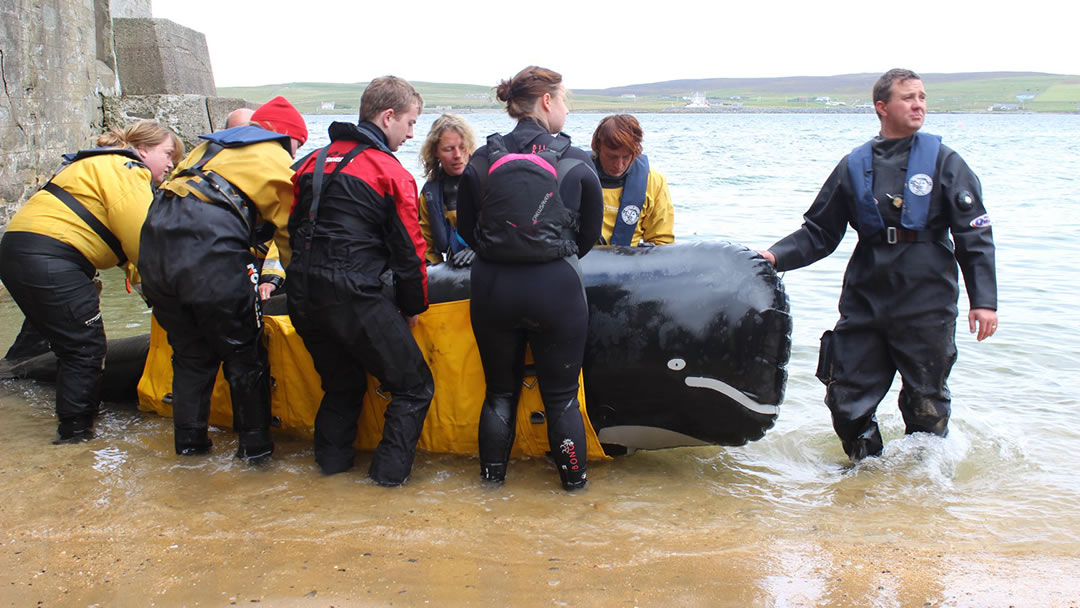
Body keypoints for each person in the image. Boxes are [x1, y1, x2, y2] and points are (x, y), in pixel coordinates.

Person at [757, 68, 998, 462]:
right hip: (866, 297)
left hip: (927, 297)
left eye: (922, 97)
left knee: (926, 402)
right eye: (909, 97)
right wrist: (774, 256)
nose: (919, 104)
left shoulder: (945, 162)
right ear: (882, 107)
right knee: (844, 396)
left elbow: (974, 236)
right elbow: (819, 232)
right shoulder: (854, 165)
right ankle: (865, 473)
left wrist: (983, 300)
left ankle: (923, 483)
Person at [456, 66, 604, 490]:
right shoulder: (576, 161)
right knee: (560, 399)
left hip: (493, 288)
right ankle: (573, 486)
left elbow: (468, 228)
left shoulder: (482, 159)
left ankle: (491, 484)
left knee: (500, 394)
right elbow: (588, 236)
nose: (566, 109)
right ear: (546, 101)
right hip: (556, 288)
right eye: (564, 100)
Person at [138, 96, 305, 462]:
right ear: (284, 136)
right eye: (298, 145)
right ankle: (256, 454)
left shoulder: (207, 147)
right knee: (244, 355)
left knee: (190, 355)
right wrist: (304, 285)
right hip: (208, 254)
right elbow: (292, 235)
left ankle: (189, 450)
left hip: (154, 251)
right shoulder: (276, 157)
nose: (297, 154)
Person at [287, 76, 433, 485]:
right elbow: (411, 251)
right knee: (413, 387)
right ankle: (384, 486)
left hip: (303, 294)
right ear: (388, 117)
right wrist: (413, 307)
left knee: (342, 386)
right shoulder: (389, 171)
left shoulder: (310, 162)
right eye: (409, 122)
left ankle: (330, 480)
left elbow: (293, 227)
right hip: (352, 293)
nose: (411, 132)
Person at [0, 119, 179, 443]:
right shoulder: (127, 170)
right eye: (167, 154)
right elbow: (145, 245)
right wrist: (176, 300)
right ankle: (75, 435)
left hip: (20, 250)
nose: (171, 164)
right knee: (85, 348)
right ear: (141, 150)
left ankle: (10, 380)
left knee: (54, 327)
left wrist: (150, 295)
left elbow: (128, 254)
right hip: (51, 257)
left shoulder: (96, 166)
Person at [590, 114, 675, 246]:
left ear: (636, 151)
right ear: (597, 147)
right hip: (582, 260)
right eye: (611, 157)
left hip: (630, 263)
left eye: (626, 157)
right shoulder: (577, 176)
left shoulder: (653, 182)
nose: (619, 165)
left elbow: (662, 242)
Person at [417, 114, 477, 266]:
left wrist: (479, 247)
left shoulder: (489, 180)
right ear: (435, 152)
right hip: (454, 266)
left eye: (462, 148)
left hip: (488, 262)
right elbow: (425, 246)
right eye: (448, 149)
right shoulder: (430, 194)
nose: (457, 155)